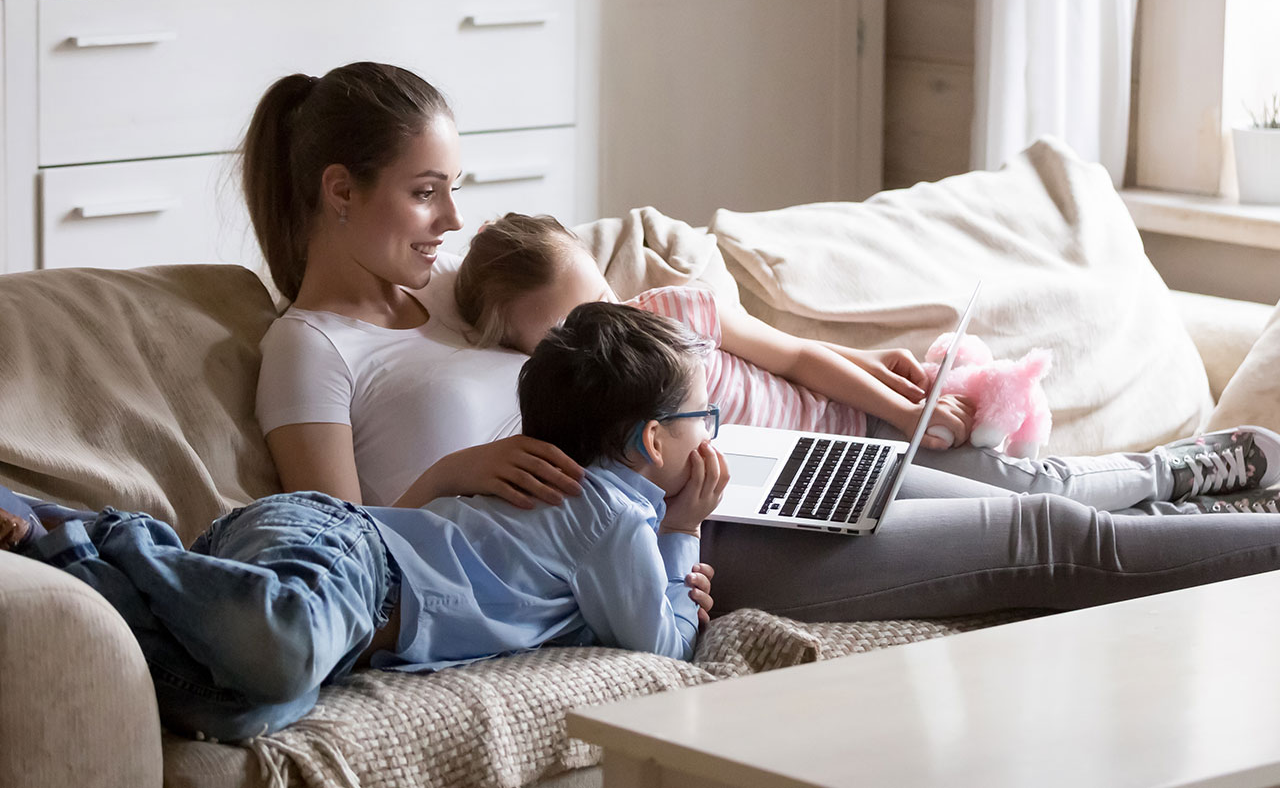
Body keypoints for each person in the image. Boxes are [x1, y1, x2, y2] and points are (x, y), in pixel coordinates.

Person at [246, 61, 1280, 641]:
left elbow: (579, 323)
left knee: (1014, 484)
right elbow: (330, 543)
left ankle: (1175, 475)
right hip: (679, 541)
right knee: (1047, 542)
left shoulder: (446, 311)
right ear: (340, 192)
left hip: (721, 468)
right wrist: (452, 472)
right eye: (425, 193)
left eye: (452, 188)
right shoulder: (309, 347)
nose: (450, 217)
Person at [0, 301, 727, 740]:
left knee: (243, 711)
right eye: (707, 419)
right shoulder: (614, 513)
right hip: (345, 552)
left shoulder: (579, 503)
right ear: (653, 441)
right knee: (283, 646)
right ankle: (119, 534)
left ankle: (55, 545)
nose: (713, 437)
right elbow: (661, 647)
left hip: (332, 596)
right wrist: (680, 529)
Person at [452, 211, 1280, 515]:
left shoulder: (676, 308)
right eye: (561, 331)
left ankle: (1178, 474)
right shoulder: (573, 406)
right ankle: (1160, 500)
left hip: (861, 430)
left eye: (598, 300)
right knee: (1017, 511)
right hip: (787, 486)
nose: (605, 328)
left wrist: (898, 404)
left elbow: (800, 355)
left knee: (1032, 487)